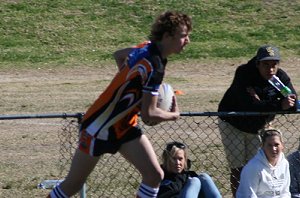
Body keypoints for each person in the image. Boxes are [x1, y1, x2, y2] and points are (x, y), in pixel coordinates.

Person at [48, 11, 192, 198]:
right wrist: (173, 115)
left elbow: (119, 55)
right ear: (167, 36)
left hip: (123, 126)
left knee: (154, 175)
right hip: (98, 127)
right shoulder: (154, 66)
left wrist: (129, 95)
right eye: (183, 36)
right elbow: (149, 115)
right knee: (73, 185)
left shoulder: (145, 48)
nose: (187, 40)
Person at [218, 44, 298, 196]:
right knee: (238, 168)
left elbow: (293, 102)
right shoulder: (244, 74)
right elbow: (250, 105)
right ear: (257, 63)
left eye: (274, 65)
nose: (270, 69)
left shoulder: (280, 78)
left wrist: (268, 103)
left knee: (259, 166)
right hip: (233, 124)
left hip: (259, 127)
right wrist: (279, 104)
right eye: (265, 64)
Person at [236, 128, 291, 197]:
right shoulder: (253, 167)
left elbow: (285, 192)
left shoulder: (284, 164)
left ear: (282, 145)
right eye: (269, 145)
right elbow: (249, 195)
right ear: (262, 146)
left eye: (276, 144)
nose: (273, 148)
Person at [157, 141, 222, 198]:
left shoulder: (187, 175)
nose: (177, 163)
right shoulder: (159, 175)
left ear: (185, 159)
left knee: (204, 177)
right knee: (194, 181)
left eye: (180, 159)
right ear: (167, 159)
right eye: (173, 159)